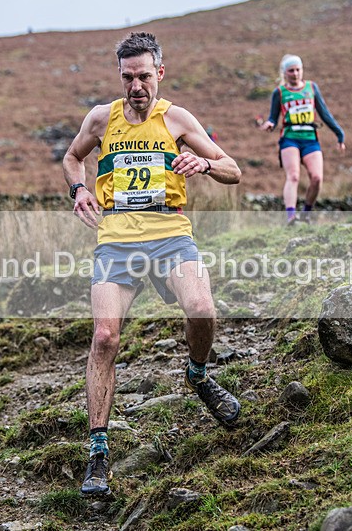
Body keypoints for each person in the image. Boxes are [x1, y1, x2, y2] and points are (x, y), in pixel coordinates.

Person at [62, 32, 242, 497]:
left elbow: (232, 169)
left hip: (169, 236)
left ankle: (199, 375)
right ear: (119, 76)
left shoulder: (177, 118)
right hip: (116, 241)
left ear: (160, 73)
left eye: (144, 76)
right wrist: (78, 190)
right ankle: (98, 454)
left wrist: (203, 166)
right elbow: (71, 156)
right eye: (128, 77)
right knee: (104, 337)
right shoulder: (101, 119)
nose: (136, 86)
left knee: (201, 307)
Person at [258, 54, 346, 225]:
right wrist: (269, 124)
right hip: (290, 138)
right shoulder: (279, 92)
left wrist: (339, 134)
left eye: (298, 69)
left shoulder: (311, 88)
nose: (295, 73)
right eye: (291, 70)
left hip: (310, 138)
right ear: (285, 73)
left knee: (317, 178)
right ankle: (291, 217)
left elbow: (324, 113)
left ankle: (306, 213)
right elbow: (273, 118)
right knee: (294, 176)